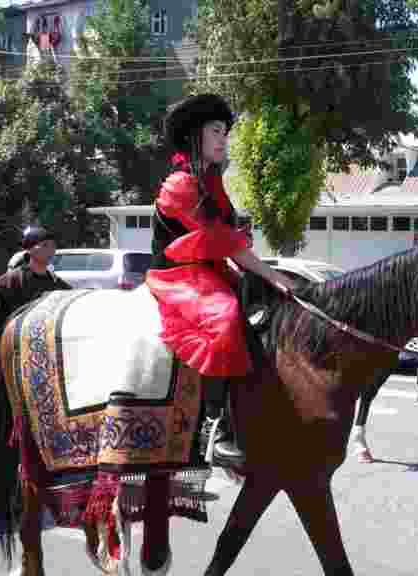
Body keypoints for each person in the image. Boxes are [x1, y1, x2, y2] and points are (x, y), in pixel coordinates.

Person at [146, 93, 298, 467]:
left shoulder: (212, 184)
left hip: (208, 271)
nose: (223, 139)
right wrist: (272, 274)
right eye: (216, 131)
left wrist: (266, 279)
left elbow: (229, 240)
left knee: (264, 311)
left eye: (225, 133)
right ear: (195, 136)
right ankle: (213, 428)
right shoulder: (180, 184)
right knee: (225, 318)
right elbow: (226, 242)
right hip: (178, 276)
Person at [0, 225, 72, 348]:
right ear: (29, 249)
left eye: (53, 246)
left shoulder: (59, 286)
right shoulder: (10, 282)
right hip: (16, 346)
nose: (51, 250)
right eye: (45, 245)